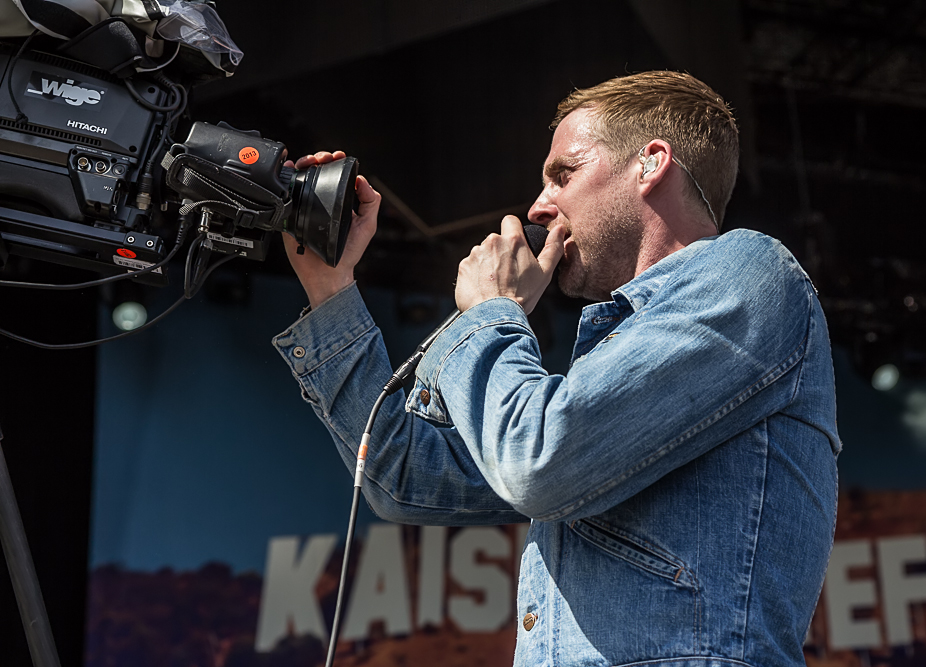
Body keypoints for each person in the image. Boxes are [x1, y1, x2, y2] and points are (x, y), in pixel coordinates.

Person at [273, 71, 840, 667]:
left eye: (563, 174)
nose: (539, 207)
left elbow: (538, 462)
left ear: (651, 164)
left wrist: (493, 313)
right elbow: (404, 475)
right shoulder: (614, 358)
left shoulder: (749, 272)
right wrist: (331, 289)